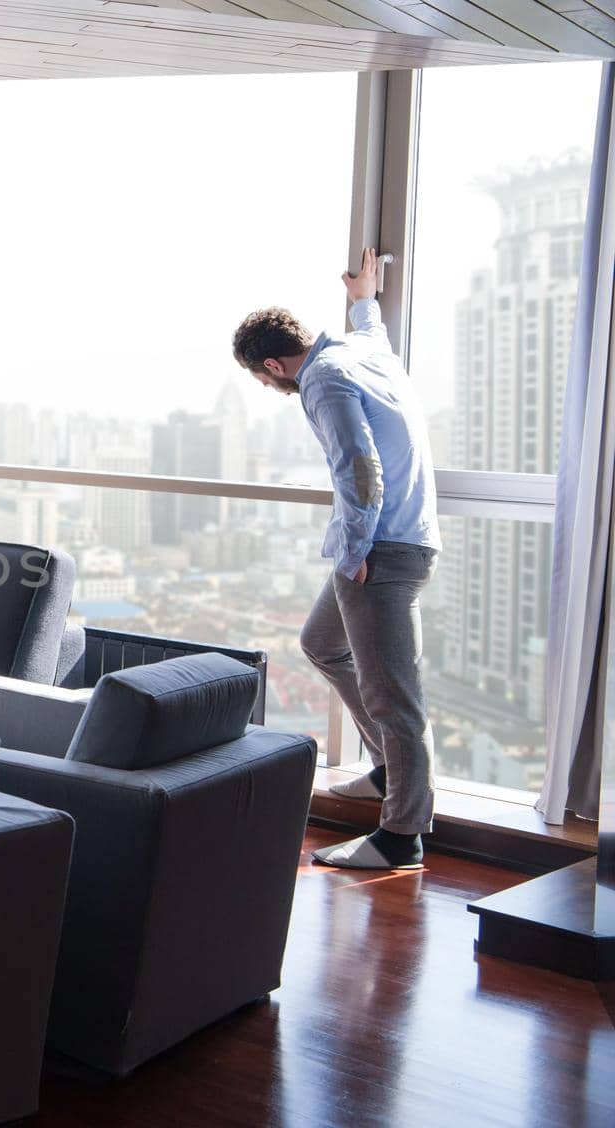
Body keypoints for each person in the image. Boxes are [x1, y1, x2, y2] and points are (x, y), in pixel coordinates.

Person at [231, 247, 441, 870]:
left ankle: (402, 836)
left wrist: (354, 554)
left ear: (272, 363)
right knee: (321, 642)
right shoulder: (360, 349)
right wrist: (364, 297)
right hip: (404, 538)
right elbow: (370, 326)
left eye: (264, 378)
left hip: (381, 549)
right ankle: (386, 768)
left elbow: (358, 465)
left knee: (393, 696)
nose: (270, 387)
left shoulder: (320, 378)